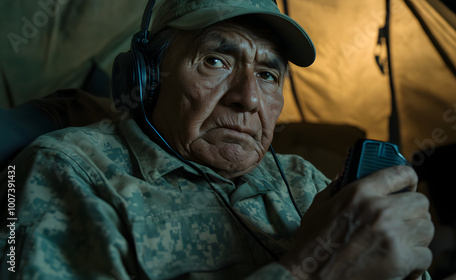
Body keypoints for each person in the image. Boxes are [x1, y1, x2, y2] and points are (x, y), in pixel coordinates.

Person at [0, 0, 434, 279]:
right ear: (147, 79)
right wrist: (311, 270)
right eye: (215, 60)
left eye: (267, 75)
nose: (248, 98)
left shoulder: (303, 180)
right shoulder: (67, 171)